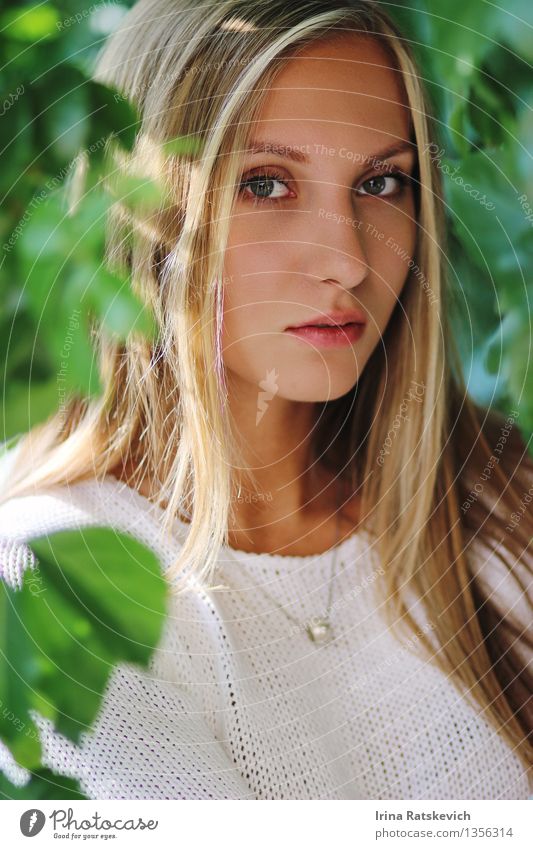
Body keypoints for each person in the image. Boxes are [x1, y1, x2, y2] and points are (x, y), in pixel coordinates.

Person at [0, 0, 531, 800]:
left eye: (381, 182)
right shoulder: (51, 578)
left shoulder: (492, 496)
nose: (348, 261)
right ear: (145, 209)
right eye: (265, 183)